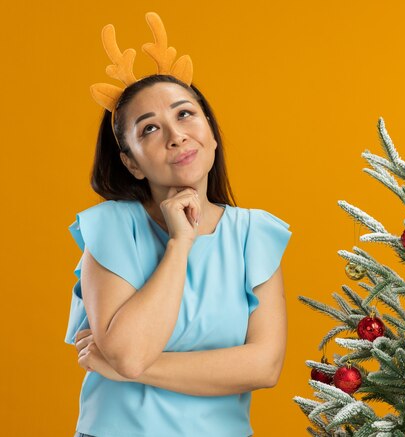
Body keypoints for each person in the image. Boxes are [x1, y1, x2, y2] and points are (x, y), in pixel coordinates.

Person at [64, 12, 291, 437]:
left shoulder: (253, 234)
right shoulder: (110, 228)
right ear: (130, 162)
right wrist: (179, 244)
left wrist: (127, 370)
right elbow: (129, 354)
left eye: (185, 114)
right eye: (149, 128)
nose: (176, 135)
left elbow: (264, 366)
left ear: (211, 130)